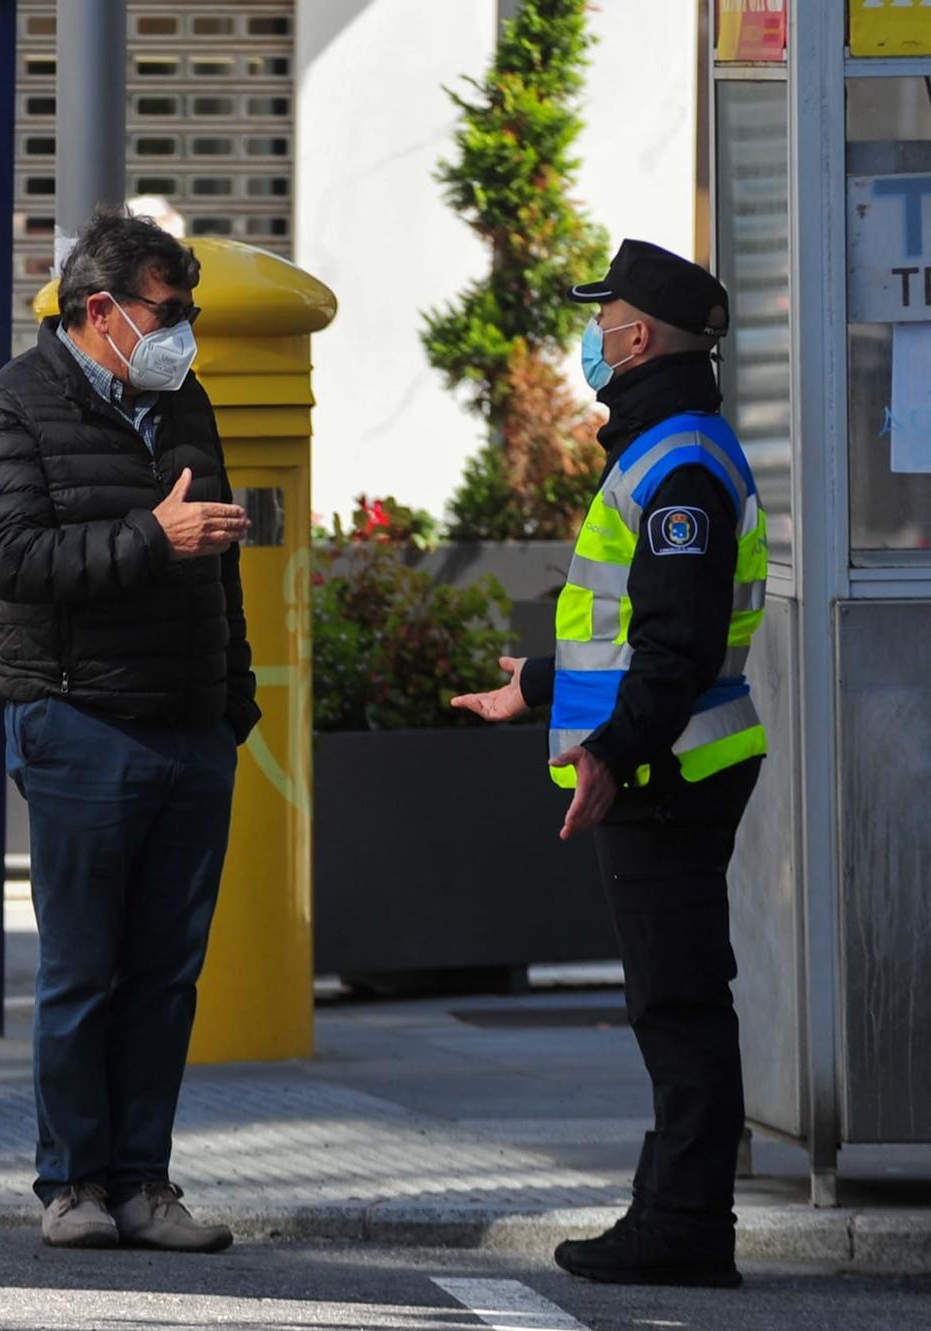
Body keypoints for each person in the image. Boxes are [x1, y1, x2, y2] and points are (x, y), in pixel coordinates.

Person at [451, 239, 767, 1288]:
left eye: (601, 321)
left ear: (634, 336)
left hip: (669, 768)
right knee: (671, 999)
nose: (590, 336)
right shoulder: (666, 444)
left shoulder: (677, 461)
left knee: (676, 1004)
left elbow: (674, 646)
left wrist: (611, 755)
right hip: (665, 760)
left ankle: (680, 1224)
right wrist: (540, 683)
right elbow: (635, 623)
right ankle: (676, 1213)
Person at [0, 209, 257, 1253]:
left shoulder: (183, 403)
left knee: (164, 975)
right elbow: (10, 558)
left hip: (188, 727)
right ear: (101, 311)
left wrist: (234, 702)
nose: (182, 333)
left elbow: (218, 563)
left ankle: (144, 1180)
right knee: (85, 967)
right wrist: (148, 536)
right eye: (165, 312)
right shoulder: (14, 407)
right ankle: (74, 1182)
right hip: (79, 718)